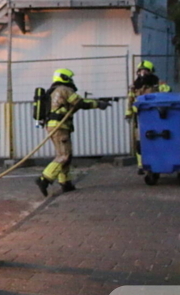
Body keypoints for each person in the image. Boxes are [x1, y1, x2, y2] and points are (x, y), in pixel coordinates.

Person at [35, 68, 110, 196]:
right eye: (69, 77)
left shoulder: (54, 90)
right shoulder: (64, 89)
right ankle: (44, 179)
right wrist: (98, 104)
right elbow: (79, 103)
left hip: (57, 126)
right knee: (64, 156)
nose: (71, 80)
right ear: (64, 77)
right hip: (60, 126)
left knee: (66, 155)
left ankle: (66, 183)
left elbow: (72, 106)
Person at [125, 60, 172, 175]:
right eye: (140, 71)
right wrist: (128, 113)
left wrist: (164, 86)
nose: (142, 73)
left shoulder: (156, 83)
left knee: (156, 138)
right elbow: (130, 100)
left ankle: (158, 162)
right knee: (139, 142)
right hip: (140, 116)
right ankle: (142, 165)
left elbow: (167, 92)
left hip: (155, 116)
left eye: (145, 71)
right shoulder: (135, 86)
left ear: (150, 72)